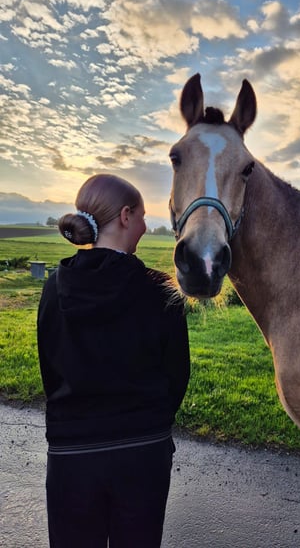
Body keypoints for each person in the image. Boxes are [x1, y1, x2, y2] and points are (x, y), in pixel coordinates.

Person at [37, 173, 190, 548]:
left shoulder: (54, 287)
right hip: (143, 451)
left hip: (71, 454)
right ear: (125, 216)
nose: (145, 226)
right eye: (142, 216)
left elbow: (49, 369)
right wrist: (151, 422)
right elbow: (177, 375)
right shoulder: (161, 290)